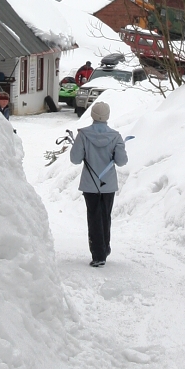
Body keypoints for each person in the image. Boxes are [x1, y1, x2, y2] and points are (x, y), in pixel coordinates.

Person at [69, 101, 128, 267]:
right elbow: (122, 161)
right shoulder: (116, 136)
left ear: (93, 115)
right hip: (107, 184)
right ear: (107, 116)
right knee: (105, 216)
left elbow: (75, 159)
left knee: (94, 217)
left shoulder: (83, 135)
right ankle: (104, 248)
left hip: (90, 184)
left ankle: (98, 253)